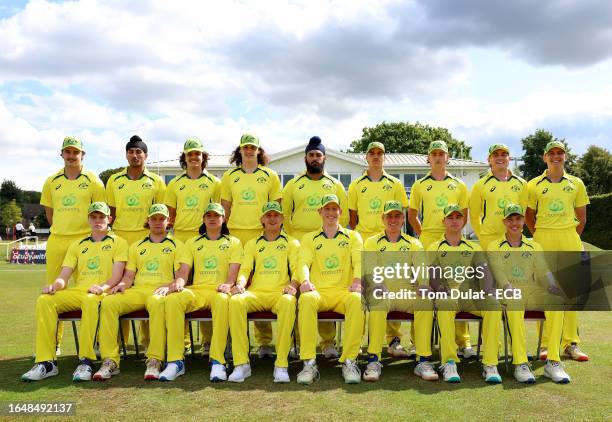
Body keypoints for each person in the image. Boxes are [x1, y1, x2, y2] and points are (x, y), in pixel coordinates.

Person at [21, 202, 128, 382]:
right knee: (45, 300)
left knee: (89, 299)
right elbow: (64, 275)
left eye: (101, 217)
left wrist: (102, 287)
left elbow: (117, 276)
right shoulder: (77, 244)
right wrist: (54, 285)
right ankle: (46, 362)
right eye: (93, 217)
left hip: (104, 292)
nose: (97, 221)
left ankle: (86, 360)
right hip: (79, 290)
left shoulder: (119, 242)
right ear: (88, 219)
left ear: (109, 219)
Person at [93, 204, 190, 380]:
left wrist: (171, 286)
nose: (158, 222)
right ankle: (110, 360)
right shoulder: (136, 246)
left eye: (162, 219)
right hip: (137, 290)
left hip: (161, 290)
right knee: (108, 302)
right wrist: (122, 284)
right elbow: (129, 275)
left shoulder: (178, 245)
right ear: (148, 221)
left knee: (156, 302)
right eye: (154, 218)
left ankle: (155, 359)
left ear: (169, 221)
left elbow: (182, 274)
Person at [282, 136, 348, 358]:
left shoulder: (335, 185)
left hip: (327, 243)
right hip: (300, 244)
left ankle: (328, 342)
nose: (315, 159)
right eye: (311, 155)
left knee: (324, 288)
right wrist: (296, 241)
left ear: (324, 158)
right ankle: (299, 343)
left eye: (318, 155)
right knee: (301, 293)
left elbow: (344, 216)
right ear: (305, 158)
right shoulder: (293, 184)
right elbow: (285, 216)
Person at [159, 202, 241, 381]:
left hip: (219, 291)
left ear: (223, 219)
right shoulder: (192, 242)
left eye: (216, 216)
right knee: (173, 300)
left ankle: (218, 361)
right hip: (197, 290)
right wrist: (179, 282)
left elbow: (233, 272)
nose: (212, 219)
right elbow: (184, 270)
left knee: (221, 300)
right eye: (209, 216)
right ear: (203, 219)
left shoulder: (233, 242)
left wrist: (228, 284)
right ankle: (175, 361)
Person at [487, 203, 568, 383]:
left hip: (531, 291)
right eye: (510, 219)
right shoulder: (495, 245)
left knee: (556, 301)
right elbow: (498, 271)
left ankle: (553, 361)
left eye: (518, 219)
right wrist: (507, 287)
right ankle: (521, 363)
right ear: (504, 221)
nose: (514, 223)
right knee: (514, 302)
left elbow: (543, 270)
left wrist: (553, 285)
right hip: (508, 292)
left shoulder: (534, 246)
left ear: (523, 220)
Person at [408, 140, 473, 358]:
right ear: (429, 158)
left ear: (447, 158)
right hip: (428, 240)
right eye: (434, 153)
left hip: (453, 240)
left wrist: (452, 233)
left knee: (456, 286)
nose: (437, 157)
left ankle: (463, 342)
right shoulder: (419, 185)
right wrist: (424, 233)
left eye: (441, 154)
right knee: (423, 289)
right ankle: (419, 342)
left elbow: (463, 215)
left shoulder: (459, 185)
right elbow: (412, 215)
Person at [526, 140, 590, 363]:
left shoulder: (576, 183)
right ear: (544, 157)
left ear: (565, 157)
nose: (555, 157)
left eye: (559, 153)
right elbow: (528, 215)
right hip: (543, 240)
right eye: (551, 153)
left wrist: (571, 237)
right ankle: (545, 344)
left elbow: (581, 218)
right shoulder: (533, 184)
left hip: (569, 240)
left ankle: (571, 344)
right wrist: (540, 234)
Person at [40, 136, 105, 352]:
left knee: (92, 292)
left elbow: (100, 213)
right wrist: (64, 231)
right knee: (54, 292)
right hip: (58, 240)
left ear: (82, 155)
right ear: (62, 154)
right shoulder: (51, 181)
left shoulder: (94, 180)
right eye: (67, 152)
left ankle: (95, 341)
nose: (71, 156)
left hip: (87, 242)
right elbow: (50, 214)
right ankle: (54, 343)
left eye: (75, 152)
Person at [220, 133, 282, 358]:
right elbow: (224, 207)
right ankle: (232, 342)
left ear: (258, 150)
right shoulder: (229, 176)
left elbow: (276, 208)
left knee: (259, 287)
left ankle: (264, 342)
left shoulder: (270, 175)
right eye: (245, 147)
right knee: (233, 287)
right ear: (240, 150)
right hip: (236, 236)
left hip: (260, 237)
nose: (248, 151)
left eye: (252, 147)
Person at [348, 141, 411, 358]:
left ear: (385, 157)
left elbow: (401, 213)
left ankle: (393, 341)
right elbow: (352, 216)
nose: (376, 157)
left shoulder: (394, 184)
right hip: (365, 242)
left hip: (390, 241)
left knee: (391, 287)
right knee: (362, 294)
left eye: (380, 154)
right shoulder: (356, 184)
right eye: (372, 154)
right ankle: (358, 342)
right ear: (366, 158)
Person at [427, 204, 502, 384]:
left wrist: (488, 291)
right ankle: (449, 362)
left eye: (458, 217)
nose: (454, 221)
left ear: (463, 221)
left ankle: (490, 363)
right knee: (444, 304)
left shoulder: (473, 247)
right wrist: (438, 288)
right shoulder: (434, 247)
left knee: (493, 304)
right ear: (443, 221)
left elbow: (484, 271)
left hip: (470, 296)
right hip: (448, 296)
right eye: (450, 218)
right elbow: (431, 273)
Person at [362, 201, 436, 382]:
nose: (393, 220)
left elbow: (421, 268)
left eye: (397, 216)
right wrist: (377, 284)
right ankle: (374, 360)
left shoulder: (414, 243)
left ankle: (423, 360)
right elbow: (369, 269)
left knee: (425, 302)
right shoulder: (372, 242)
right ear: (383, 218)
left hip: (407, 294)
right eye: (389, 216)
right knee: (378, 302)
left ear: (403, 219)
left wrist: (424, 285)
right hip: (383, 293)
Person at [296, 194, 364, 385]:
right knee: (306, 299)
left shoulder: (353, 236)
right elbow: (303, 262)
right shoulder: (309, 238)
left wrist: (358, 281)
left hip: (343, 291)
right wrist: (305, 281)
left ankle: (350, 361)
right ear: (320, 212)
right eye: (327, 209)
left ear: (341, 213)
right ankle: (309, 362)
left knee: (358, 300)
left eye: (335, 209)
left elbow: (359, 260)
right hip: (320, 292)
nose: (331, 213)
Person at [228, 202, 299, 383]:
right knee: (235, 301)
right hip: (256, 293)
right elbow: (245, 269)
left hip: (279, 292)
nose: (272, 219)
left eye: (276, 215)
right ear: (262, 219)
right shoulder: (252, 244)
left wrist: (293, 285)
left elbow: (297, 269)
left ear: (282, 219)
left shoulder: (292, 243)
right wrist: (241, 284)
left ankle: (281, 365)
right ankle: (241, 364)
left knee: (289, 302)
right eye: (269, 216)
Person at [105, 135, 166, 347]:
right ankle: (119, 340)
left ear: (145, 155)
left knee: (149, 286)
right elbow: (110, 213)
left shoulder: (156, 181)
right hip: (120, 239)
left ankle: (149, 340)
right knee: (118, 289)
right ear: (126, 155)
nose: (134, 155)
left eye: (138, 151)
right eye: (131, 151)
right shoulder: (114, 180)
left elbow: (161, 213)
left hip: (146, 240)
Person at [164, 138, 221, 354]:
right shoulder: (175, 184)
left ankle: (208, 341)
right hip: (181, 241)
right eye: (190, 154)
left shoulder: (214, 183)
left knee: (205, 288)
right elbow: (171, 214)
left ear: (203, 157)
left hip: (206, 240)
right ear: (184, 158)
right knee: (181, 290)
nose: (194, 158)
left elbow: (218, 212)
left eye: (197, 154)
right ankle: (184, 343)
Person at [469, 143, 528, 250]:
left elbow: (523, 212)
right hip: (489, 240)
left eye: (503, 154)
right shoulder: (480, 185)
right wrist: (482, 235)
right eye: (496, 155)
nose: (500, 157)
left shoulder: (522, 183)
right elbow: (474, 215)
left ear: (509, 158)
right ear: (489, 159)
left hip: (514, 239)